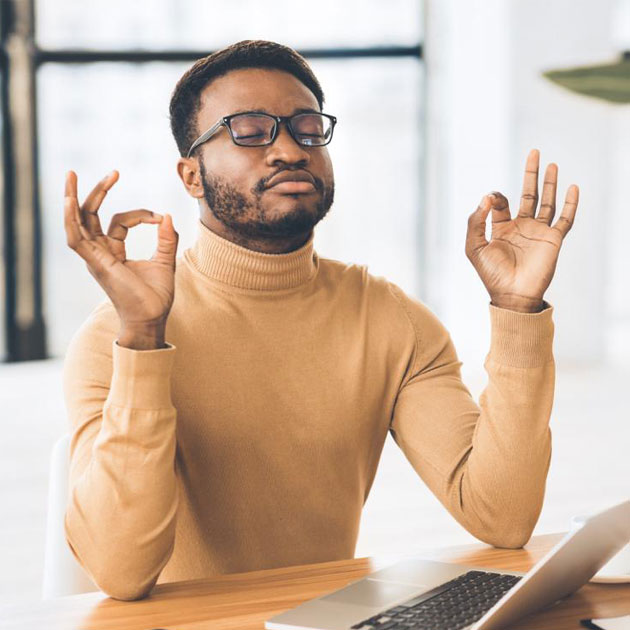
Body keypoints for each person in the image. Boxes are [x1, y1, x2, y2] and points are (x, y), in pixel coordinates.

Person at [62, 40, 579, 601]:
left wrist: (517, 312)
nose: (289, 149)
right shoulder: (114, 337)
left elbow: (501, 515)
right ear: (191, 176)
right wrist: (141, 341)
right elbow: (120, 572)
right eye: (250, 130)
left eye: (306, 127)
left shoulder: (391, 320)